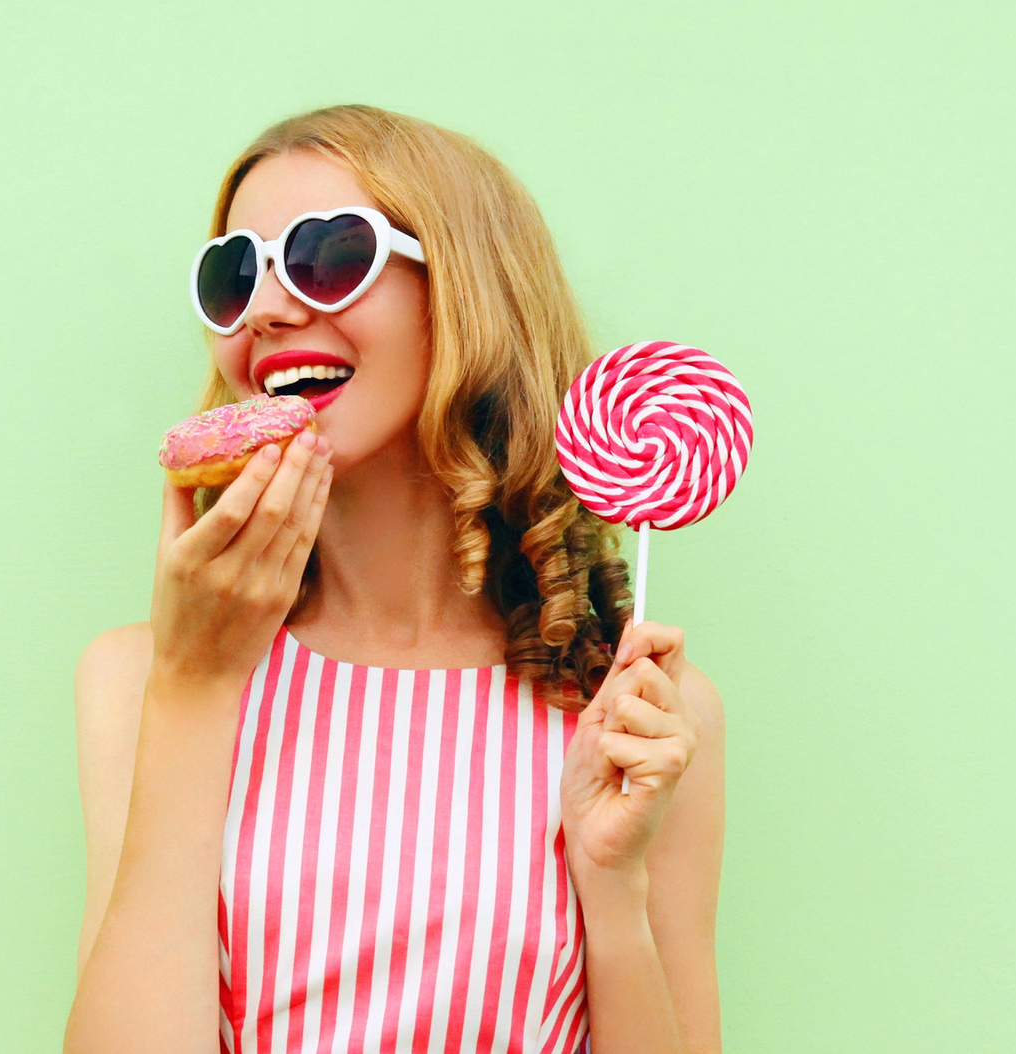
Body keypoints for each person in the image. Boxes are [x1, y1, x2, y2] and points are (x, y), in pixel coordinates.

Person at [64, 104, 725, 1054]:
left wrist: (612, 896)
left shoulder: (634, 716)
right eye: (234, 274)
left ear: (466, 292)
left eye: (328, 256)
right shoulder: (140, 682)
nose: (270, 309)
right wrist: (196, 685)